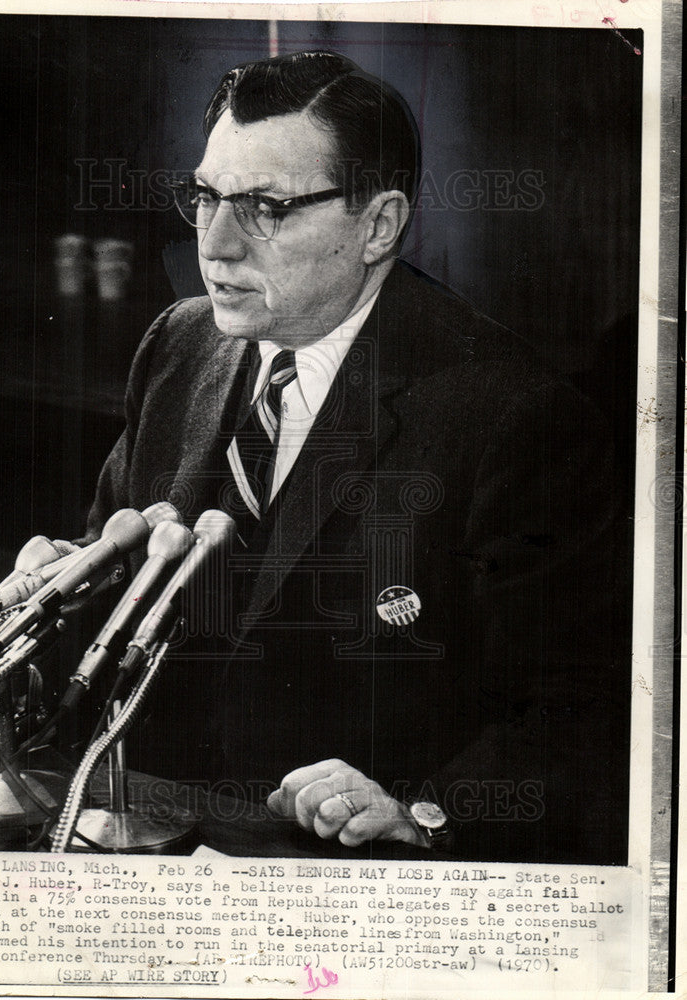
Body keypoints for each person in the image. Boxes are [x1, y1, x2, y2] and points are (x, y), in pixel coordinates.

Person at [83, 51, 629, 863]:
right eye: (206, 197)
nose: (217, 245)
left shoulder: (518, 417)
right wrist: (45, 613)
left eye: (266, 207)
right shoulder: (179, 343)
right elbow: (116, 603)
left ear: (377, 226)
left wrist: (425, 814)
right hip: (158, 842)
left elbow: (582, 715)